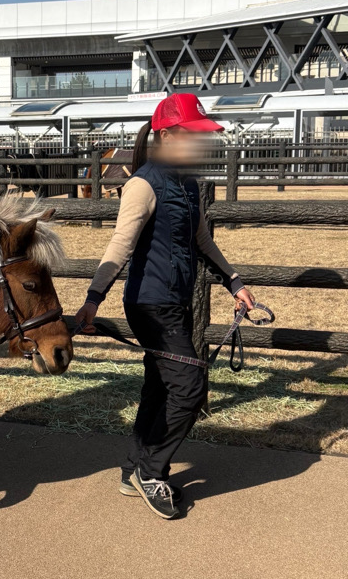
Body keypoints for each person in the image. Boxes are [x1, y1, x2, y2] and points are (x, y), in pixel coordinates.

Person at [75, 93, 256, 520]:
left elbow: (202, 242)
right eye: (193, 136)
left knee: (160, 386)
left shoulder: (189, 185)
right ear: (167, 136)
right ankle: (152, 471)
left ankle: (132, 469)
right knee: (190, 387)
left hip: (175, 302)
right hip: (150, 304)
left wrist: (235, 283)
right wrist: (92, 299)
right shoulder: (142, 183)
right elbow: (121, 243)